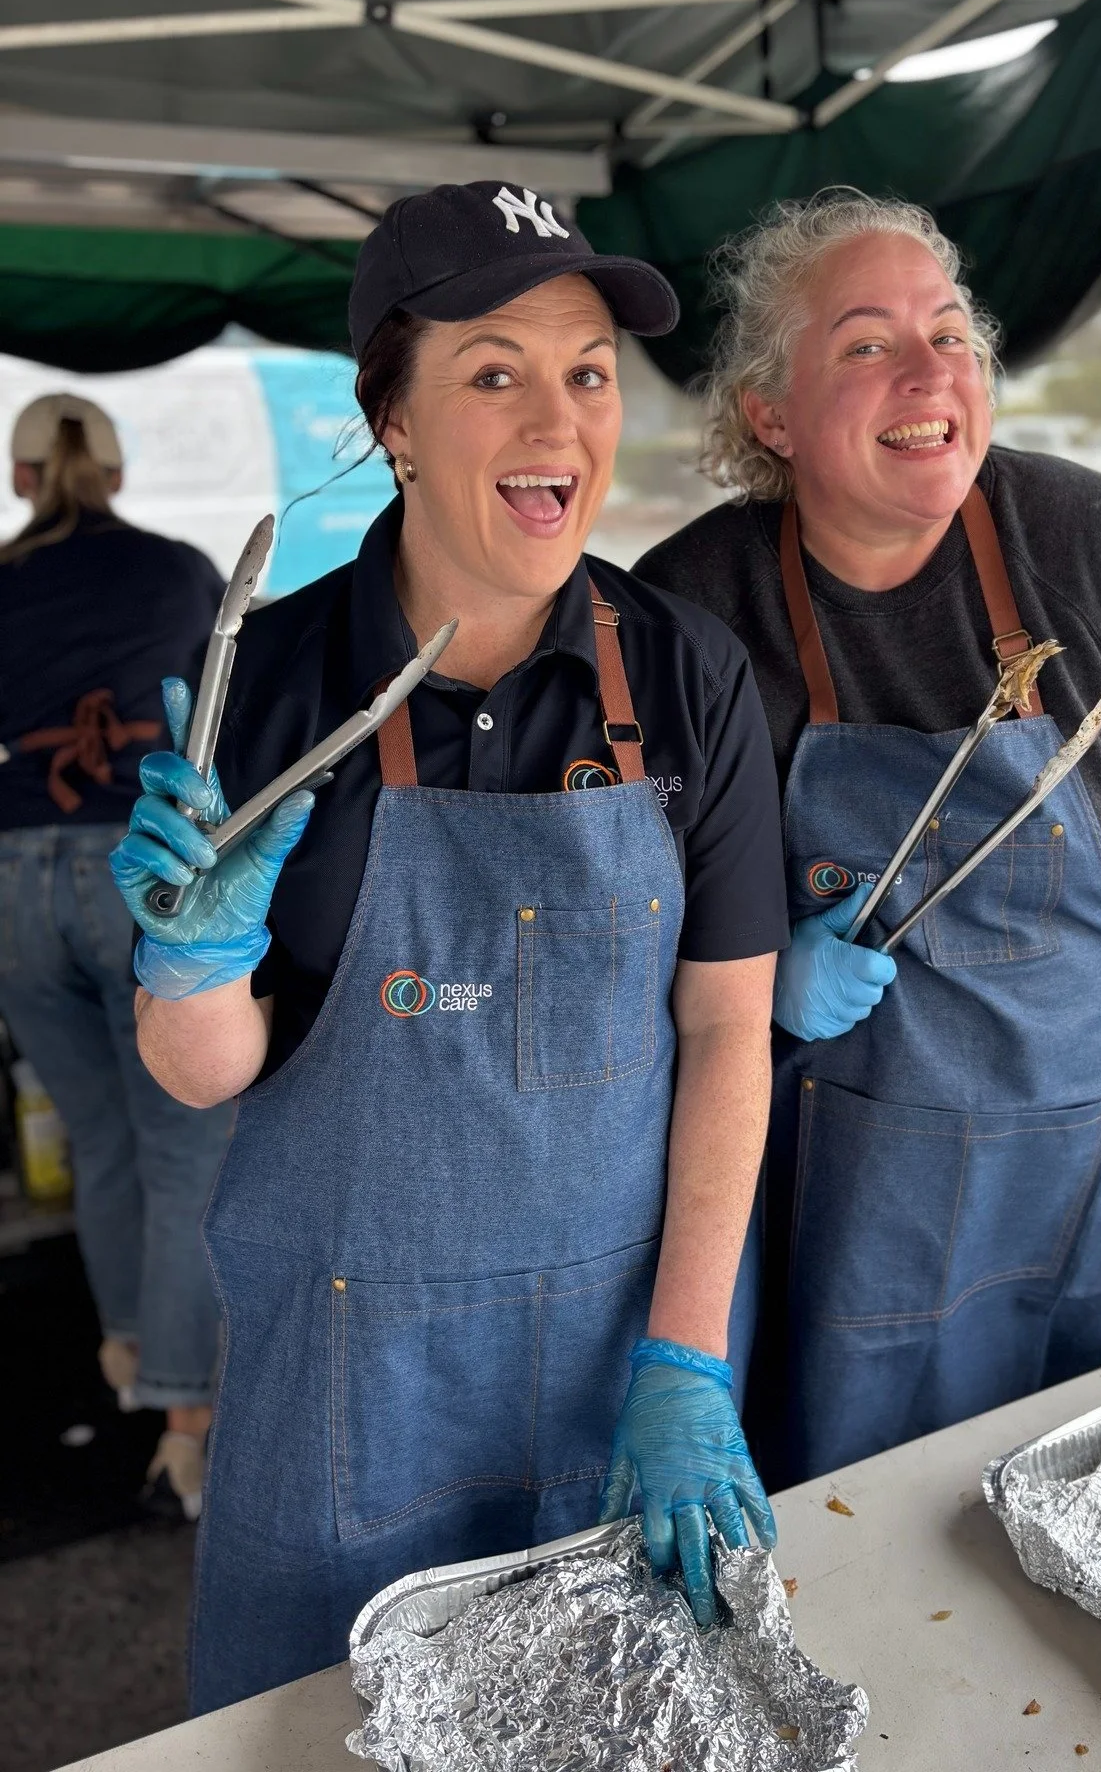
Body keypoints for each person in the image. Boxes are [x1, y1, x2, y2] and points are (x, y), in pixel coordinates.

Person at [109, 184, 788, 1713]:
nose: (558, 420)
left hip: (620, 1364)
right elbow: (206, 1074)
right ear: (393, 421)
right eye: (494, 372)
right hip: (347, 1386)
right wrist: (189, 964)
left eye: (590, 371)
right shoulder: (268, 683)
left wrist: (688, 1358)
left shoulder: (684, 675)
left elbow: (728, 1032)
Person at [635, 191, 1101, 1488]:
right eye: (868, 343)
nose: (932, 368)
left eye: (951, 332)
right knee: (874, 1548)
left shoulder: (1098, 549)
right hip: (844, 1206)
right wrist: (761, 972)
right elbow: (628, 916)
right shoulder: (692, 612)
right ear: (769, 414)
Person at [0, 393, 232, 1521]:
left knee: (99, 1140)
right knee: (183, 1147)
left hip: (12, 880)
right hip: (133, 872)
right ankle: (188, 1421)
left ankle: (129, 1354)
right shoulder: (181, 570)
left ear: (21, 477)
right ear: (119, 473)